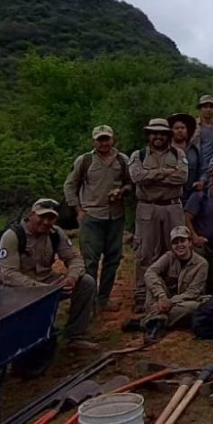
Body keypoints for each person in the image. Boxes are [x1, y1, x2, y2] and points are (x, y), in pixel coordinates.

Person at [0, 199, 97, 351]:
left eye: (51, 218)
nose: (46, 222)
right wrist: (44, 289)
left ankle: (75, 336)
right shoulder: (13, 236)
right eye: (42, 217)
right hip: (17, 288)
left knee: (86, 282)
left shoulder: (55, 233)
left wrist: (71, 278)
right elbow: (9, 274)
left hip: (47, 282)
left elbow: (74, 258)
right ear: (31, 215)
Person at [62, 124, 130, 312]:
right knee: (89, 261)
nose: (104, 143)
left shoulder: (122, 160)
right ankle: (88, 302)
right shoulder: (85, 161)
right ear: (94, 141)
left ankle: (103, 299)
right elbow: (70, 185)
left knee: (113, 259)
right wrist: (78, 209)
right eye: (100, 139)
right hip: (91, 216)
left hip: (116, 216)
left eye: (106, 138)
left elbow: (131, 184)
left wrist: (122, 191)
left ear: (112, 139)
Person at [130, 117, 189, 311]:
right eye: (154, 132)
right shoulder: (138, 155)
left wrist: (153, 175)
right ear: (148, 135)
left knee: (176, 249)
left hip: (173, 206)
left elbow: (182, 176)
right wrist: (165, 173)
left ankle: (173, 291)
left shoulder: (178, 153)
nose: (158, 136)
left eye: (162, 133)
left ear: (168, 136)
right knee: (145, 251)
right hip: (147, 207)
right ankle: (141, 295)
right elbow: (137, 177)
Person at [142, 225, 210, 331]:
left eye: (182, 241)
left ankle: (154, 320)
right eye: (175, 242)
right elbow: (150, 273)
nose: (179, 245)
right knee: (153, 282)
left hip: (182, 303)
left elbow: (193, 292)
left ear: (190, 242)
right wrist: (161, 296)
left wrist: (170, 302)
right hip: (164, 300)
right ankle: (159, 320)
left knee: (194, 307)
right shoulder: (168, 257)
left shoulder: (201, 264)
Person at [168, 113, 202, 202]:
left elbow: (203, 169)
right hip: (170, 196)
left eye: (182, 128)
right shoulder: (165, 150)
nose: (180, 130)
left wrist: (201, 181)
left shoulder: (194, 150)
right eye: (176, 128)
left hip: (191, 196)